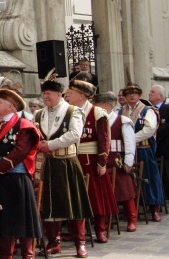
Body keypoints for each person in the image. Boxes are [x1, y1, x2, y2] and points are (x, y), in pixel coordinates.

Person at [34, 73, 92, 258]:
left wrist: (50, 145)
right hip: (47, 164)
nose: (46, 97)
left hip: (67, 162)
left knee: (73, 202)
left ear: (59, 94)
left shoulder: (72, 111)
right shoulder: (39, 114)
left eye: (49, 93)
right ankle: (54, 241)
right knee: (49, 203)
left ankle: (79, 243)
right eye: (44, 94)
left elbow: (75, 134)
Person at [64, 74, 118, 243]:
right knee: (74, 195)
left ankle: (100, 229)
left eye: (71, 92)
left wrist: (102, 162)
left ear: (81, 95)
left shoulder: (97, 112)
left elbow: (104, 139)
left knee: (96, 195)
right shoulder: (67, 111)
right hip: (72, 157)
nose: (67, 95)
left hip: (91, 159)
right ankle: (76, 231)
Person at [0, 88, 41, 259]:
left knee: (22, 218)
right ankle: (6, 255)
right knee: (3, 219)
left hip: (16, 176)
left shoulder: (24, 125)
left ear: (11, 106)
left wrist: (1, 166)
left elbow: (21, 150)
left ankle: (28, 254)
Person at [119, 82, 163, 222]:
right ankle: (133, 207)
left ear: (139, 95)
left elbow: (149, 129)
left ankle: (154, 207)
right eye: (129, 93)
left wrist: (131, 139)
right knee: (129, 179)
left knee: (149, 176)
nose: (132, 95)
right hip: (126, 150)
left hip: (143, 149)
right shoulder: (120, 111)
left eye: (135, 93)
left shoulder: (147, 110)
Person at [94, 92, 137, 232]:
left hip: (117, 161)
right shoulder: (97, 120)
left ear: (106, 105)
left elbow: (130, 143)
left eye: (98, 105)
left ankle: (132, 218)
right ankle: (105, 220)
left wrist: (128, 162)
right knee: (104, 193)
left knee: (125, 191)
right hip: (103, 162)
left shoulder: (122, 121)